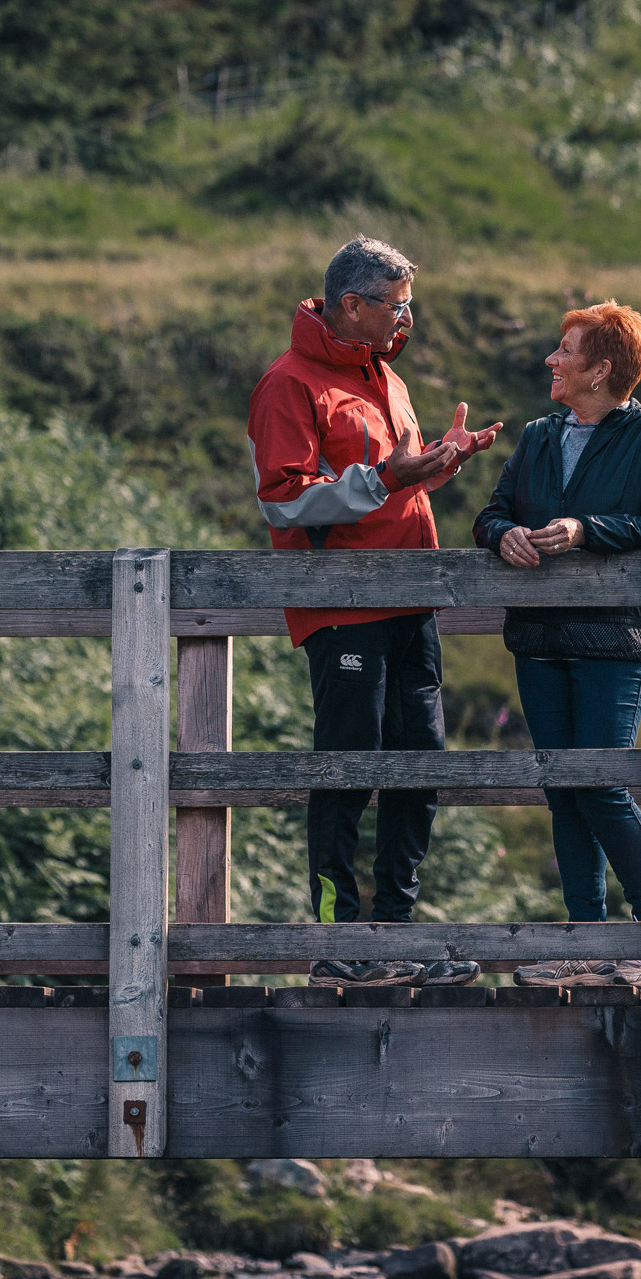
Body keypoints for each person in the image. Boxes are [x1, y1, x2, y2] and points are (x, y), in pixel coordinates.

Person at [247, 236, 501, 989]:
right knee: (349, 765)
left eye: (409, 304)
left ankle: (394, 933)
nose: (406, 319)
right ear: (350, 304)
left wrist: (438, 463)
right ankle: (335, 936)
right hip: (343, 606)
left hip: (412, 598)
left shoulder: (386, 379)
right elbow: (283, 497)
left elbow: (395, 487)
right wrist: (388, 475)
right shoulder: (287, 384)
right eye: (396, 305)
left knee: (417, 765)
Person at [472, 301, 641, 988]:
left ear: (599, 369)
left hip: (608, 639)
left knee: (596, 781)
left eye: (565, 350)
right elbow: (492, 510)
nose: (551, 360)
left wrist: (583, 529)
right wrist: (498, 533)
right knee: (562, 789)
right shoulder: (537, 436)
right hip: (535, 637)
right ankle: (586, 943)